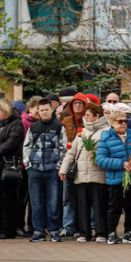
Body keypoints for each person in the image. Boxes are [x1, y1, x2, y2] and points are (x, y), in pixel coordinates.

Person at [59, 102, 110, 243]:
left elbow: (109, 151)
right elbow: (71, 152)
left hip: (98, 175)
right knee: (82, 206)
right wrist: (64, 169)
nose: (85, 117)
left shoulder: (106, 131)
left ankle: (101, 232)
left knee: (99, 206)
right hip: (81, 175)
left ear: (96, 116)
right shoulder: (83, 132)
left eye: (88, 115)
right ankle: (84, 232)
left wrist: (96, 154)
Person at [97, 110, 131, 245]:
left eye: (125, 121)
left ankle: (129, 232)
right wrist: (122, 164)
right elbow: (100, 159)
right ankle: (111, 232)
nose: (123, 124)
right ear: (112, 123)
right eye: (120, 121)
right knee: (115, 207)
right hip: (115, 178)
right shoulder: (106, 137)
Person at [23, 98, 67, 242]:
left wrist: (60, 165)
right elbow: (26, 146)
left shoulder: (59, 127)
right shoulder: (33, 127)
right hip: (35, 170)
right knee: (36, 202)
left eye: (46, 109)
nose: (44, 112)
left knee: (53, 201)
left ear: (52, 109)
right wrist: (28, 164)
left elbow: (63, 147)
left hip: (52, 169)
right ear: (38, 111)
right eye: (41, 110)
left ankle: (54, 230)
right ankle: (38, 230)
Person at [0, 98, 24, 240]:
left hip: (8, 166)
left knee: (9, 198)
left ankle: (8, 229)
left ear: (5, 110)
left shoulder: (16, 124)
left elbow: (12, 142)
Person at [60, 92, 88, 238]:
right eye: (75, 103)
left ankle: (86, 226)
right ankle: (68, 226)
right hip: (69, 163)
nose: (77, 105)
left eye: (80, 103)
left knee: (84, 198)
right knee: (68, 198)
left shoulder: (88, 121)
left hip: (85, 164)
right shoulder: (66, 121)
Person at [18, 96, 41, 236]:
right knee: (22, 197)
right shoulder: (24, 122)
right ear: (30, 108)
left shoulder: (43, 123)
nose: (39, 111)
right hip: (24, 165)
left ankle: (33, 226)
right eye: (37, 108)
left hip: (38, 165)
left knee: (35, 198)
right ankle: (20, 225)